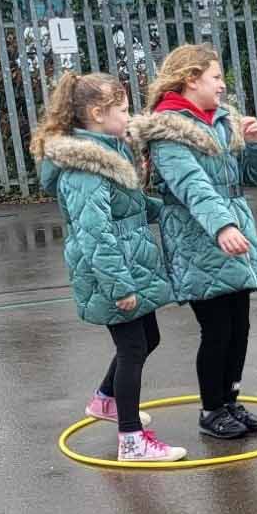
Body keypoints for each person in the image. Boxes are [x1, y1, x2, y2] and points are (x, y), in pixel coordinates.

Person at [32, 70, 185, 463]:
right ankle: (131, 440)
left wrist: (167, 209)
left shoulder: (110, 151)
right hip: (111, 273)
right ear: (98, 114)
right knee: (133, 348)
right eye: (123, 109)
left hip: (129, 263)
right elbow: (95, 234)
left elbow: (127, 209)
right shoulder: (85, 167)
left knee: (148, 339)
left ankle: (105, 400)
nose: (129, 116)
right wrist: (121, 288)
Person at [132, 44, 257, 438]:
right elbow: (192, 186)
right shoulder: (168, 131)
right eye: (215, 77)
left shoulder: (221, 121)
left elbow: (252, 177)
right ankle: (211, 408)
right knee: (216, 329)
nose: (222, 84)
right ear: (190, 79)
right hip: (199, 240)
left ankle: (231, 399)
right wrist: (221, 227)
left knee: (240, 325)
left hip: (233, 234)